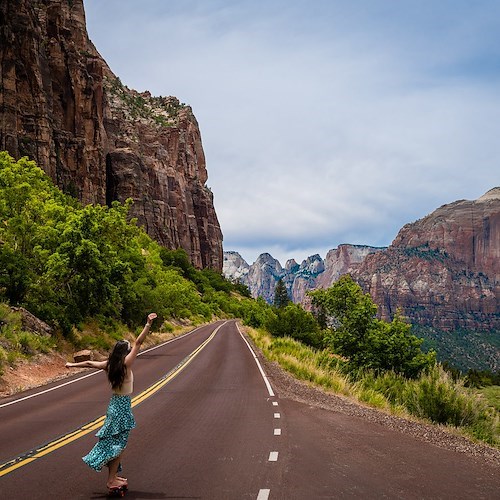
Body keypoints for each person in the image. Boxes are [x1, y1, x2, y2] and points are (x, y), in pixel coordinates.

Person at [66, 312, 157, 491]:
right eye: (128, 348)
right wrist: (147, 324)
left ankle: (113, 476)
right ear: (124, 353)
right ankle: (111, 480)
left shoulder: (109, 364)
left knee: (116, 444)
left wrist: (72, 365)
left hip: (114, 405)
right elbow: (138, 342)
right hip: (122, 407)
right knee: (119, 445)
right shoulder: (126, 364)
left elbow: (90, 364)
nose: (131, 349)